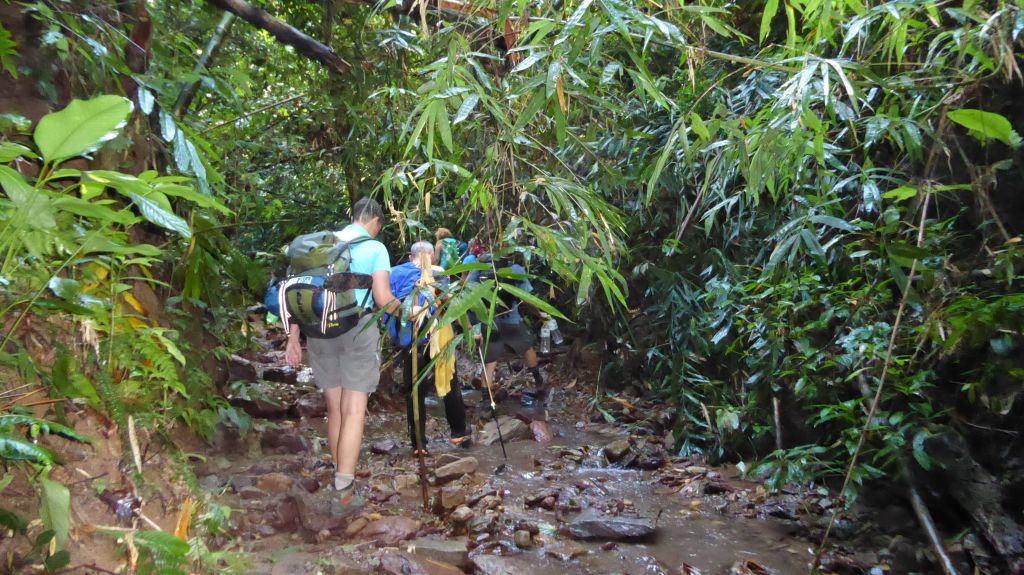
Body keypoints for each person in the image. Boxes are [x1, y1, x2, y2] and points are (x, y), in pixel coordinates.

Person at [284, 197, 400, 511]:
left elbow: (303, 291)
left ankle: (339, 476)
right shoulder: (375, 249)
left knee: (335, 410)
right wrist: (411, 312)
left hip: (319, 332)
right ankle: (345, 491)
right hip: (357, 332)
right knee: (354, 411)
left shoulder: (324, 244)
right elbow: (383, 298)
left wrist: (293, 339)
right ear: (375, 220)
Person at [388, 241, 471, 451]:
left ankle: (419, 444)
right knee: (449, 382)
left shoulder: (394, 273)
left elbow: (387, 306)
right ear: (432, 257)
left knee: (414, 391)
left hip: (411, 341)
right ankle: (458, 434)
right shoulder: (439, 272)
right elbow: (450, 306)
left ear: (410, 256)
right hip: (439, 339)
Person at [469, 252, 547, 408]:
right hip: (511, 320)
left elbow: (468, 294)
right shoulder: (516, 269)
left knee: (490, 362)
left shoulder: (479, 268)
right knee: (527, 348)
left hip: (489, 322)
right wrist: (539, 313)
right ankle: (538, 381)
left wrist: (472, 325)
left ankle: (486, 401)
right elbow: (525, 298)